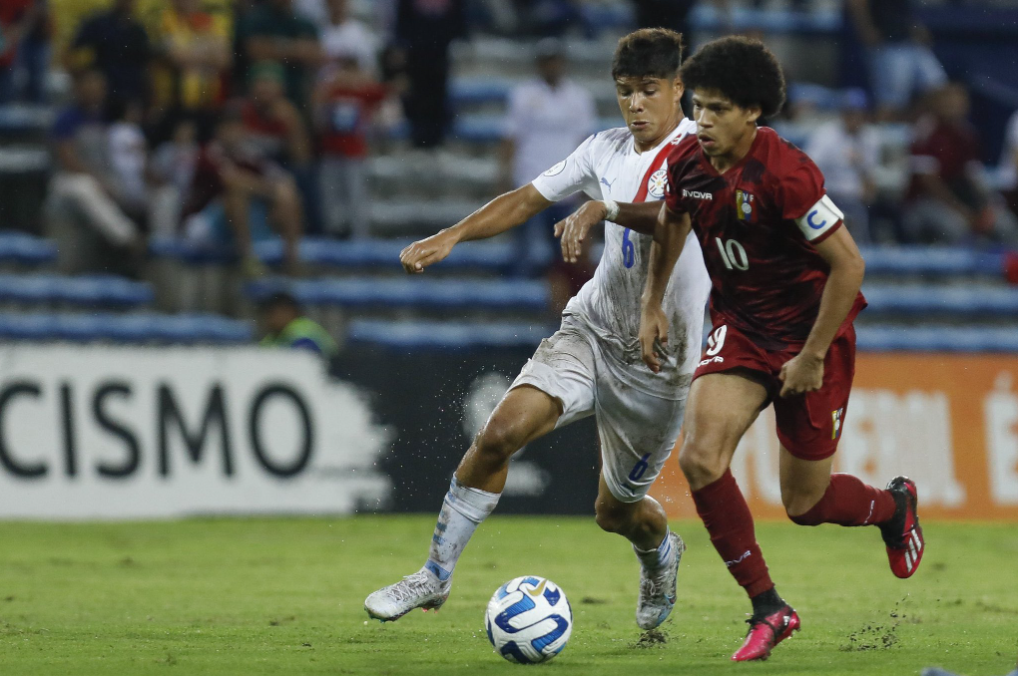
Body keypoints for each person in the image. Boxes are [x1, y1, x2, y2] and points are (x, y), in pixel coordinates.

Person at [363, 28, 711, 632]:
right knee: (499, 433)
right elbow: (526, 198)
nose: (634, 105)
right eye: (625, 91)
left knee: (615, 512)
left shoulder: (701, 155)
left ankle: (659, 553)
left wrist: (603, 208)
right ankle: (434, 575)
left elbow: (671, 217)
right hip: (593, 328)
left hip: (660, 361)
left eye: (648, 91)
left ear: (678, 89)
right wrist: (452, 234)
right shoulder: (602, 149)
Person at [616, 36, 923, 662]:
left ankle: (894, 508)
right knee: (701, 459)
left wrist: (811, 356)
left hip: (813, 338)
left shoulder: (787, 173)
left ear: (753, 112)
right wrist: (652, 303)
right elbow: (674, 219)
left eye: (717, 110)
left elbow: (850, 266)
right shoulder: (689, 163)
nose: (701, 121)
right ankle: (768, 607)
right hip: (741, 327)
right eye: (697, 107)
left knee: (806, 504)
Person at [500, 38, 596, 274]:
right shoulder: (523, 96)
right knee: (525, 250)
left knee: (566, 254)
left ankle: (558, 303)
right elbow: (511, 138)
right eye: (547, 62)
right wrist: (505, 176)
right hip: (530, 182)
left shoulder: (579, 97)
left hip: (567, 187)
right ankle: (519, 296)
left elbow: (585, 143)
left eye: (555, 61)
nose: (551, 67)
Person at [183, 107, 303, 276]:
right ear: (219, 131)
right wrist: (268, 190)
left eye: (237, 128)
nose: (233, 133)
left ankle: (292, 261)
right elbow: (232, 181)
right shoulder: (208, 153)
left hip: (238, 226)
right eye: (228, 128)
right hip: (204, 226)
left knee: (286, 192)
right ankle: (248, 258)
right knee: (236, 193)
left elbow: (284, 180)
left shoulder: (250, 153)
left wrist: (276, 192)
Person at [48, 69, 144, 270]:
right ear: (78, 89)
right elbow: (68, 161)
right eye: (89, 86)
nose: (94, 91)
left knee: (142, 191)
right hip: (67, 182)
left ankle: (153, 248)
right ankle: (128, 238)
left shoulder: (104, 119)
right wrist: (101, 180)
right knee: (85, 187)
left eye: (99, 87)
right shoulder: (67, 118)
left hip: (101, 179)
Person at [903, 83, 1018, 246]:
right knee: (957, 227)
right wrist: (962, 211)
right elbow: (929, 183)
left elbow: (973, 178)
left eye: (959, 102)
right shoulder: (924, 130)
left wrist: (988, 206)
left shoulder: (967, 134)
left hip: (960, 201)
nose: (954, 106)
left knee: (1005, 224)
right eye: (949, 101)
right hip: (923, 202)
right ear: (938, 103)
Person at [313, 50, 387, 239]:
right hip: (331, 150)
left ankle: (359, 233)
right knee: (331, 195)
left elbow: (383, 93)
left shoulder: (364, 92)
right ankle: (332, 232)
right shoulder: (331, 91)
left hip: (355, 152)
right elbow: (316, 105)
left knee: (356, 194)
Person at [846, 0, 947, 120]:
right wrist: (866, 28)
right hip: (886, 43)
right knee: (892, 101)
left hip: (910, 40)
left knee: (939, 87)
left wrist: (915, 27)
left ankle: (911, 127)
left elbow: (901, 9)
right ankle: (886, 135)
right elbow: (856, 3)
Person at [804, 88, 880, 243]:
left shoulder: (870, 136)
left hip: (855, 201)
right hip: (828, 197)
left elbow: (870, 181)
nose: (853, 118)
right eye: (849, 113)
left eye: (858, 113)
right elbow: (808, 170)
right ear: (842, 114)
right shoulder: (826, 135)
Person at [148, 0, 232, 139]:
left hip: (206, 103)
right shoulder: (164, 19)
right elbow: (176, 57)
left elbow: (224, 60)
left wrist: (191, 54)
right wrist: (207, 53)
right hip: (173, 104)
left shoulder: (208, 21)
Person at [395, 0, 466, 148]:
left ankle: (436, 137)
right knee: (418, 93)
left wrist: (460, 36)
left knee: (437, 93)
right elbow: (403, 18)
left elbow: (458, 15)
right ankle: (419, 137)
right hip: (417, 48)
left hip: (440, 47)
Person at [68, 0, 152, 107]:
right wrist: (80, 78)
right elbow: (72, 50)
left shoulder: (139, 31)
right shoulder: (99, 23)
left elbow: (147, 67)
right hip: (103, 95)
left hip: (131, 96)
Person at [237, 0, 321, 107]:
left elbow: (315, 54)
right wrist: (297, 48)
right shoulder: (254, 18)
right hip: (259, 96)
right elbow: (255, 50)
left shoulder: (305, 22)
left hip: (297, 93)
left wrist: (273, 46)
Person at [241, 61, 313, 167]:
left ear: (282, 87)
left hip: (281, 171)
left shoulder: (289, 113)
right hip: (248, 170)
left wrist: (292, 125)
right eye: (260, 82)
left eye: (270, 82)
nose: (265, 88)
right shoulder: (240, 110)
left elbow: (302, 159)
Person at [259, 291, 338, 360]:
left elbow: (305, 361)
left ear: (288, 311)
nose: (269, 319)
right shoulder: (271, 337)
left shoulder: (303, 330)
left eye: (272, 313)